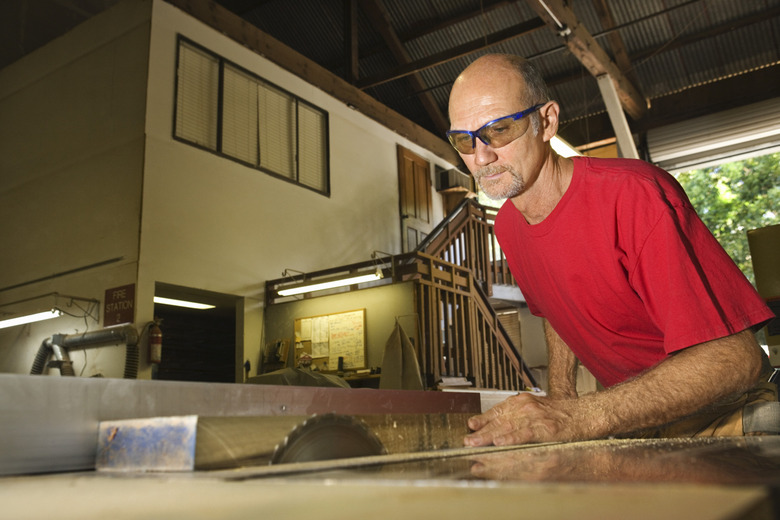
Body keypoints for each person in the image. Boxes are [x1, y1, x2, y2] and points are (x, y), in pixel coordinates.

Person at [446, 53, 777, 446]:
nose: (481, 156)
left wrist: (578, 416)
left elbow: (737, 359)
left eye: (498, 130)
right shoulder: (507, 227)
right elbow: (558, 310)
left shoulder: (635, 196)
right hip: (636, 423)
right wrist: (561, 396)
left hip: (727, 415)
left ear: (547, 121)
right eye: (463, 140)